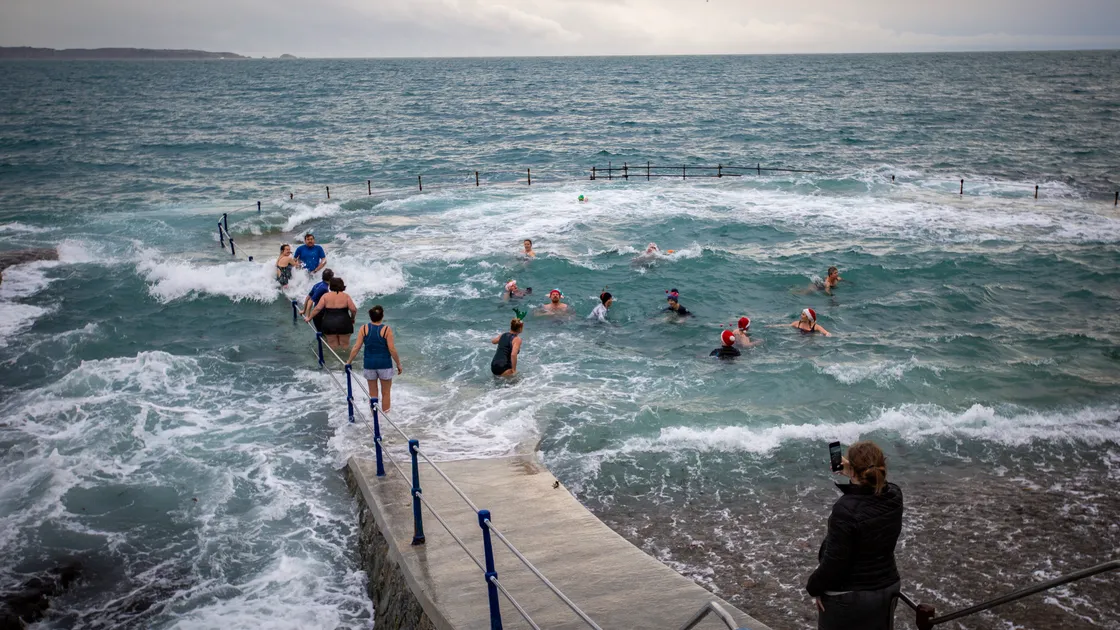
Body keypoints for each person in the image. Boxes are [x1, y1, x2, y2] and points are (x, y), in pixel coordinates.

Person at [806, 441, 904, 630]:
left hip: (851, 597)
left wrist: (814, 587)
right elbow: (875, 489)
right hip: (888, 588)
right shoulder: (894, 495)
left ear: (853, 469)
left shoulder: (846, 509)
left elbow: (835, 563)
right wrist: (852, 473)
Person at [348, 305, 403, 413]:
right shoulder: (386, 329)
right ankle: (385, 419)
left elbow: (356, 347)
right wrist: (398, 364)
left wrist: (348, 361)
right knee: (386, 393)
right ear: (382, 316)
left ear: (370, 316)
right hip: (384, 364)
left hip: (369, 364)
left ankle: (375, 418)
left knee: (373, 394)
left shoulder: (364, 328)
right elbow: (392, 349)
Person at [306, 276, 356, 351]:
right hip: (344, 323)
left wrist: (309, 318)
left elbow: (317, 309)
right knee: (345, 346)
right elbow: (353, 309)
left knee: (332, 347)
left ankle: (333, 362)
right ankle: (346, 361)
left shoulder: (325, 296)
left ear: (331, 286)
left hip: (329, 324)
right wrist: (352, 318)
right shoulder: (346, 296)